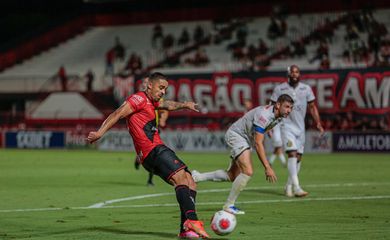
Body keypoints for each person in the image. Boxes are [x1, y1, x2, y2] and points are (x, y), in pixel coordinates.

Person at [86, 72, 209, 238]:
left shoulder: (152, 101)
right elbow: (117, 113)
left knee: (190, 181)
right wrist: (100, 133)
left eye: (165, 89)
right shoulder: (138, 99)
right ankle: (192, 220)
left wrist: (185, 104)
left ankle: (185, 230)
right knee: (181, 178)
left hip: (155, 150)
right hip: (152, 150)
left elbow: (168, 105)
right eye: (161, 87)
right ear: (149, 85)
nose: (163, 92)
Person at [192, 94, 294, 215]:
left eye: (291, 108)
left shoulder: (279, 117)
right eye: (287, 107)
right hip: (237, 136)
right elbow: (258, 143)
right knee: (248, 171)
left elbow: (262, 133)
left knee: (232, 176)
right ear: (278, 105)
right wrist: (267, 167)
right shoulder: (264, 115)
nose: (289, 110)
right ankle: (229, 205)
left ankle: (197, 177)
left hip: (245, 139)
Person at [270, 64, 324, 198]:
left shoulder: (306, 89)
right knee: (292, 154)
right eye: (292, 72)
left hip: (300, 128)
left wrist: (318, 122)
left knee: (298, 158)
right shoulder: (280, 88)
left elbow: (312, 107)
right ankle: (297, 187)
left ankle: (288, 185)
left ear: (299, 74)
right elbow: (272, 107)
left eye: (296, 72)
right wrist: (269, 125)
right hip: (286, 126)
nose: (294, 74)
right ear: (288, 74)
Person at [134, 77, 169, 186]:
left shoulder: (157, 98)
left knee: (153, 155)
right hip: (141, 130)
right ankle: (139, 157)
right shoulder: (138, 98)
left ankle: (150, 179)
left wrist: (162, 119)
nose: (145, 84)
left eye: (147, 82)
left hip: (154, 130)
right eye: (143, 82)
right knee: (145, 153)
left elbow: (165, 110)